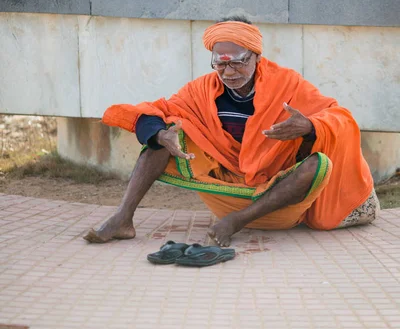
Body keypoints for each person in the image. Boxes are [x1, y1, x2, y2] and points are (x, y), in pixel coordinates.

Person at [84, 18, 379, 246]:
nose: (229, 72)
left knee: (319, 165)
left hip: (277, 188)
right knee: (158, 139)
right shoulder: (202, 89)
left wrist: (311, 126)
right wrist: (161, 135)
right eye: (220, 63)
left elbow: (340, 116)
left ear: (256, 58)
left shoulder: (287, 84)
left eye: (238, 61)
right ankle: (123, 219)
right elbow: (157, 109)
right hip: (226, 179)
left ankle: (236, 222)